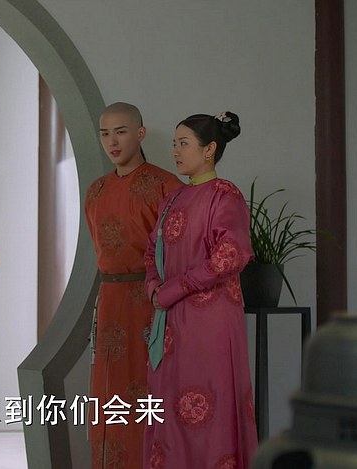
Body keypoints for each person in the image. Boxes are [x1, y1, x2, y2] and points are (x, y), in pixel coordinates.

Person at [143, 112, 258, 468]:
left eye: (184, 143)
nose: (175, 152)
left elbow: (230, 255)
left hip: (210, 323)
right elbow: (151, 250)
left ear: (209, 149)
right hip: (170, 320)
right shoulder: (173, 199)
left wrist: (173, 289)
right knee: (168, 407)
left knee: (209, 407)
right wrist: (153, 288)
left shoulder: (225, 195)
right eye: (174, 144)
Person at [85, 102, 183, 468]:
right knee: (107, 393)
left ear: (140, 134)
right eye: (105, 134)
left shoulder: (166, 186)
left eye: (121, 132)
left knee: (149, 392)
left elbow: (180, 253)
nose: (112, 141)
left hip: (153, 302)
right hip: (110, 298)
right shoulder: (96, 190)